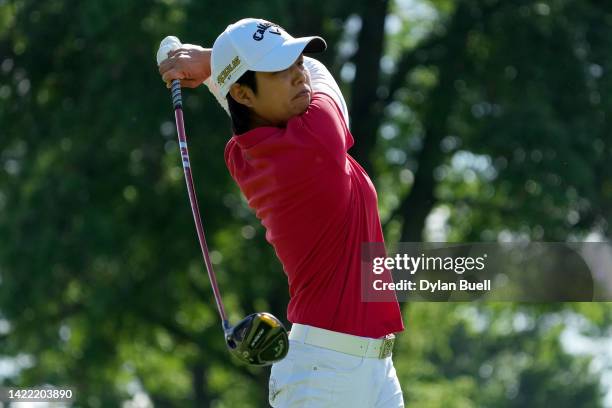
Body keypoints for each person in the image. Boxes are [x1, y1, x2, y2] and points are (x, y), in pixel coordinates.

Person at [158, 17, 405, 407]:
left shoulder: (246, 153)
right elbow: (322, 76)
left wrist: (216, 70)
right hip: (327, 375)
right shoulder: (317, 138)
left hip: (364, 367)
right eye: (278, 69)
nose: (298, 75)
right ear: (242, 93)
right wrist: (210, 62)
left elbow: (246, 105)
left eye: (295, 61)